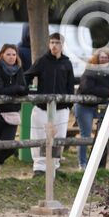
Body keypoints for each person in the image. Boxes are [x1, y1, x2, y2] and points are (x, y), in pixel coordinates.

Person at [25, 33, 75, 176]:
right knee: (38, 136)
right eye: (52, 42)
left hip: (61, 109)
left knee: (58, 138)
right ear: (49, 44)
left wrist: (68, 104)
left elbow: (70, 85)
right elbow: (27, 76)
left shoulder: (67, 63)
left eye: (57, 43)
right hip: (42, 107)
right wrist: (30, 93)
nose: (54, 45)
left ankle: (54, 166)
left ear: (62, 45)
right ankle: (39, 168)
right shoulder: (42, 61)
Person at [0, 45, 28, 180]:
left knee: (9, 145)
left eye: (14, 55)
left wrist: (18, 89)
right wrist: (16, 89)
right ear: (1, 55)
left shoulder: (19, 70)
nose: (11, 57)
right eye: (8, 54)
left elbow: (25, 89)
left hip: (12, 113)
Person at [74, 49, 109, 170]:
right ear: (96, 58)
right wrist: (107, 92)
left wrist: (107, 92)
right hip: (85, 106)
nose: (104, 59)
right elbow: (87, 88)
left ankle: (99, 164)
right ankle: (82, 163)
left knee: (104, 134)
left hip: (101, 106)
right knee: (85, 135)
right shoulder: (90, 70)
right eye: (101, 57)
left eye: (106, 57)